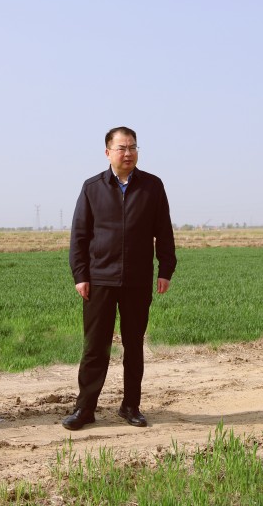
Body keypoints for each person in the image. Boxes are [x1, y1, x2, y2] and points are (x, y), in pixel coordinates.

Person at [63, 126, 177, 431]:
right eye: (122, 148)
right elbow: (79, 236)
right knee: (95, 347)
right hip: (99, 279)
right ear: (108, 152)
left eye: (133, 147)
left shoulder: (152, 186)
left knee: (134, 346)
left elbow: (164, 231)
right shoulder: (92, 187)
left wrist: (166, 269)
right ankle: (85, 408)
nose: (128, 153)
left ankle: (131, 406)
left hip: (137, 280)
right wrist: (80, 275)